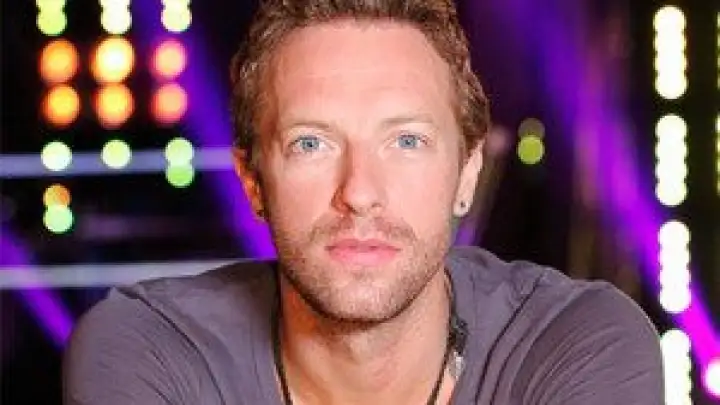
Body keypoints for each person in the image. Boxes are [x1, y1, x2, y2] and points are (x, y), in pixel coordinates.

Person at [63, 0, 664, 403]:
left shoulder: (576, 345)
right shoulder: (150, 350)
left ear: (467, 172)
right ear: (252, 180)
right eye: (311, 143)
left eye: (406, 141)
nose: (359, 192)